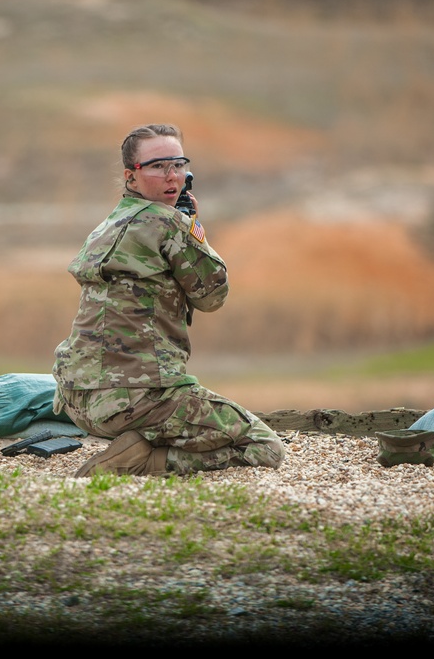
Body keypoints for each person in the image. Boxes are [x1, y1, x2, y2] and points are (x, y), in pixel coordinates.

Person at [52, 123, 287, 477]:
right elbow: (213, 295)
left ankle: (136, 445)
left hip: (76, 400)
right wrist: (194, 229)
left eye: (178, 165)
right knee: (265, 448)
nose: (171, 175)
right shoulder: (167, 223)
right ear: (132, 177)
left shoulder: (106, 225)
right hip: (136, 400)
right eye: (158, 166)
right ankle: (144, 460)